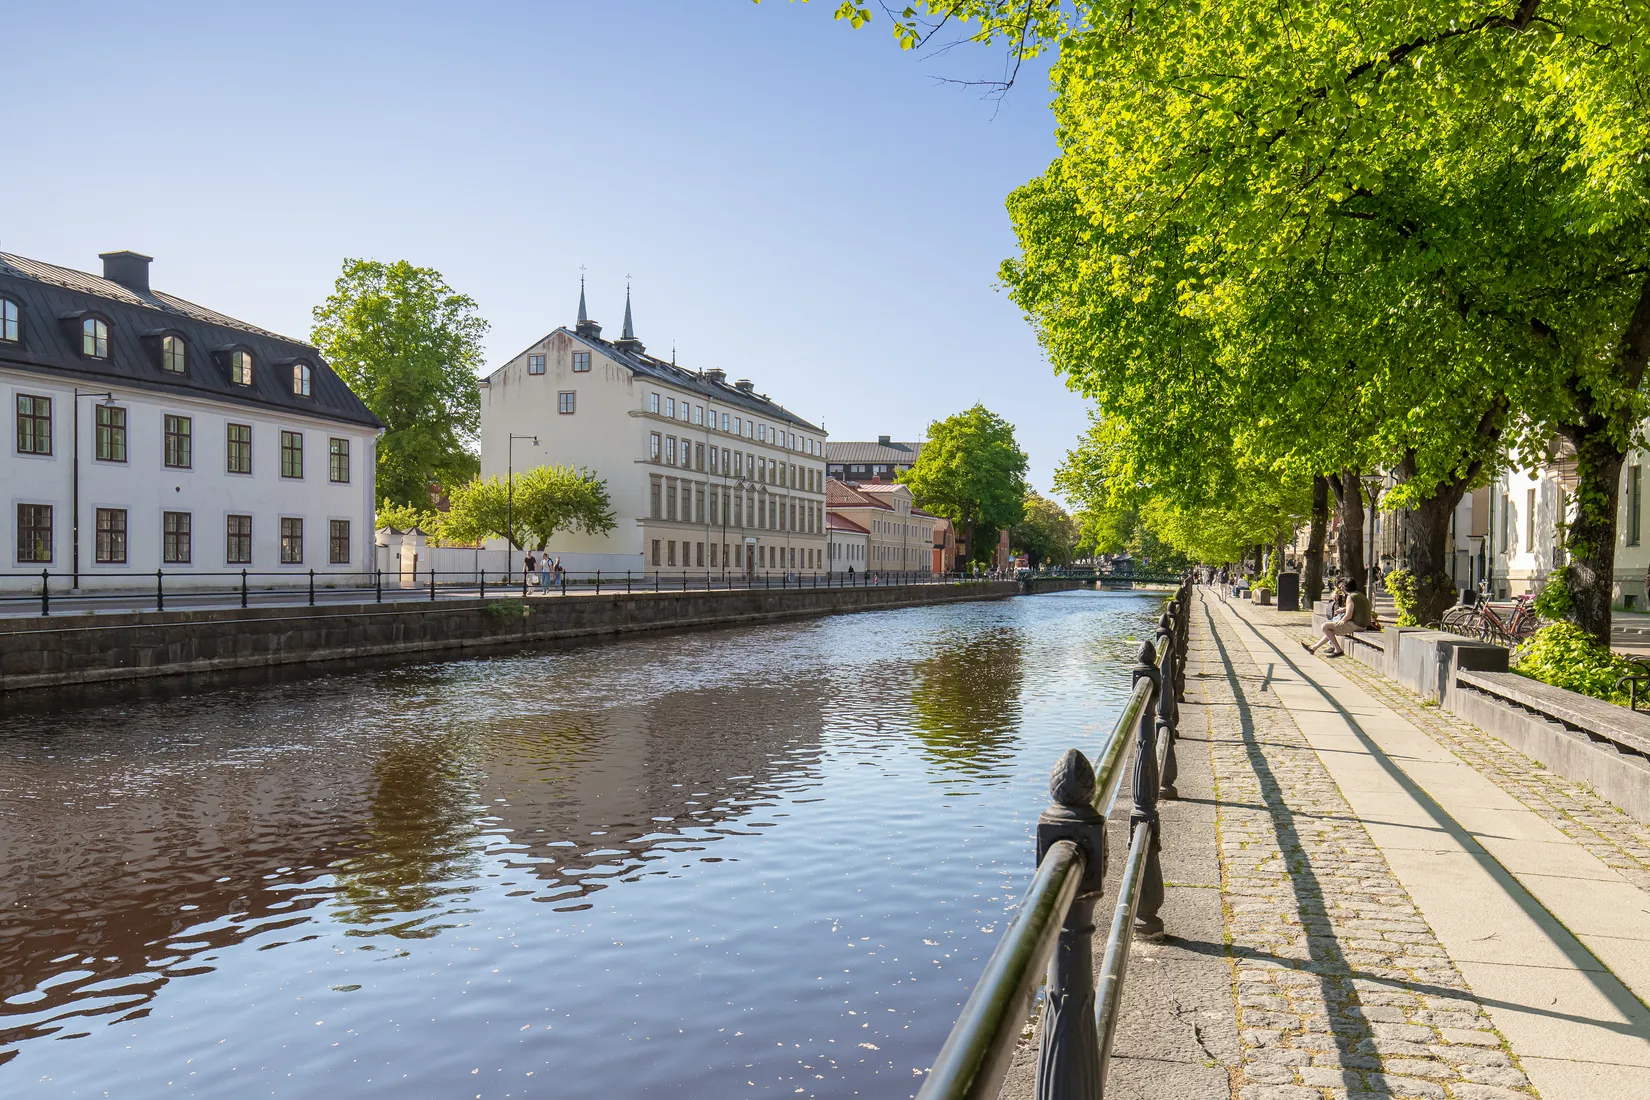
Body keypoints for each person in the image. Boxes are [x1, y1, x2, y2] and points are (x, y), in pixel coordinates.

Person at [1303, 577, 1371, 658]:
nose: (1341, 589)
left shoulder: (1350, 597)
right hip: (1362, 624)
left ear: (1345, 588)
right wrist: (1343, 610)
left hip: (1356, 625)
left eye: (1342, 587)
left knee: (1325, 626)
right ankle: (1313, 648)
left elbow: (1348, 615)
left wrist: (1340, 621)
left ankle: (1338, 649)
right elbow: (1357, 608)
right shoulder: (1359, 595)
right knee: (1330, 630)